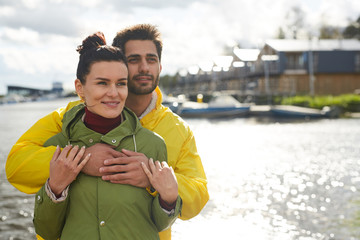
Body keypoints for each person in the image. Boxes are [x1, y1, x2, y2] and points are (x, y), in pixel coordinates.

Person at [6, 24, 209, 240]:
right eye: (133, 60)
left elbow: (198, 197)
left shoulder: (177, 130)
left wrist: (151, 179)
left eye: (151, 59)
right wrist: (82, 159)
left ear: (160, 66)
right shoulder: (67, 118)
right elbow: (16, 166)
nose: (144, 68)